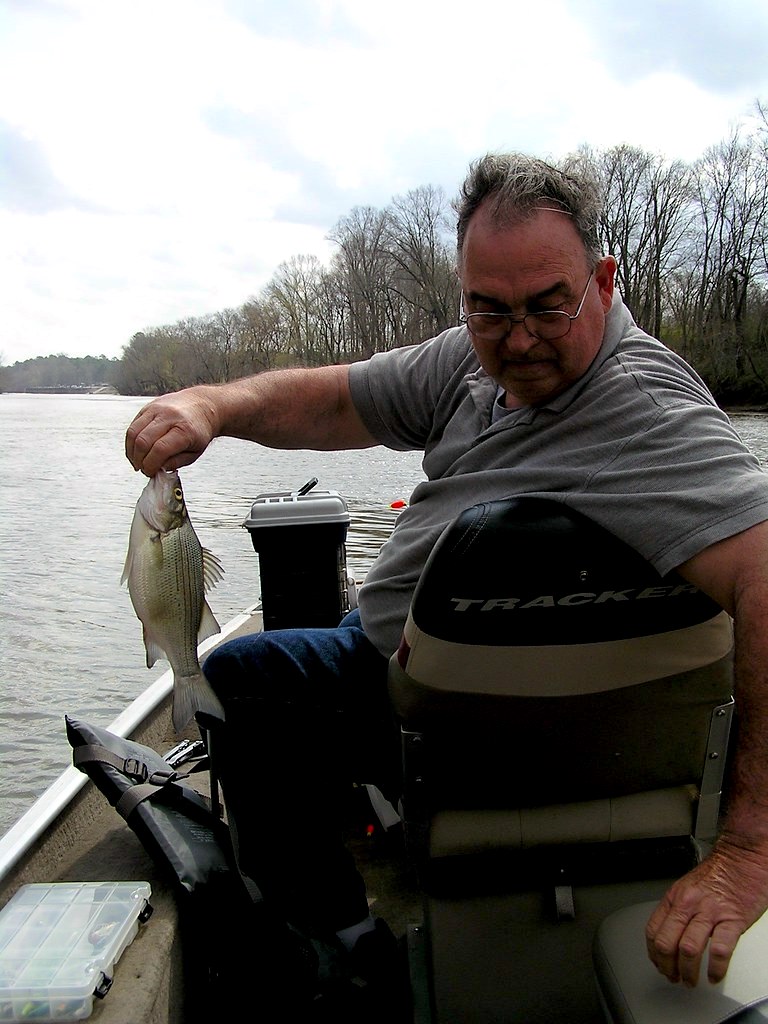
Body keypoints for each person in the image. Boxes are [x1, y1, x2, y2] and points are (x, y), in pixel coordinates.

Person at [126, 152, 768, 999]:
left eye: (548, 305)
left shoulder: (647, 415)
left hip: (436, 718)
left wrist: (751, 847)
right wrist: (213, 406)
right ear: (465, 297)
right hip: (425, 659)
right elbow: (338, 400)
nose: (520, 337)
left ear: (605, 282)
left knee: (239, 681)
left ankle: (343, 949)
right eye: (488, 309)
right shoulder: (472, 359)